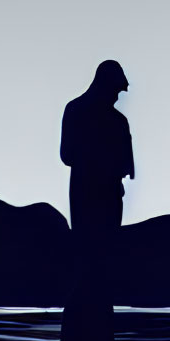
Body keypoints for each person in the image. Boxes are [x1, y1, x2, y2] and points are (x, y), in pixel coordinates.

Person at [60, 60, 135, 255]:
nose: (117, 97)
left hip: (108, 193)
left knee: (105, 251)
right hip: (86, 193)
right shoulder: (78, 111)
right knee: (87, 249)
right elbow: (67, 155)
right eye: (115, 91)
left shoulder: (118, 121)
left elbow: (125, 166)